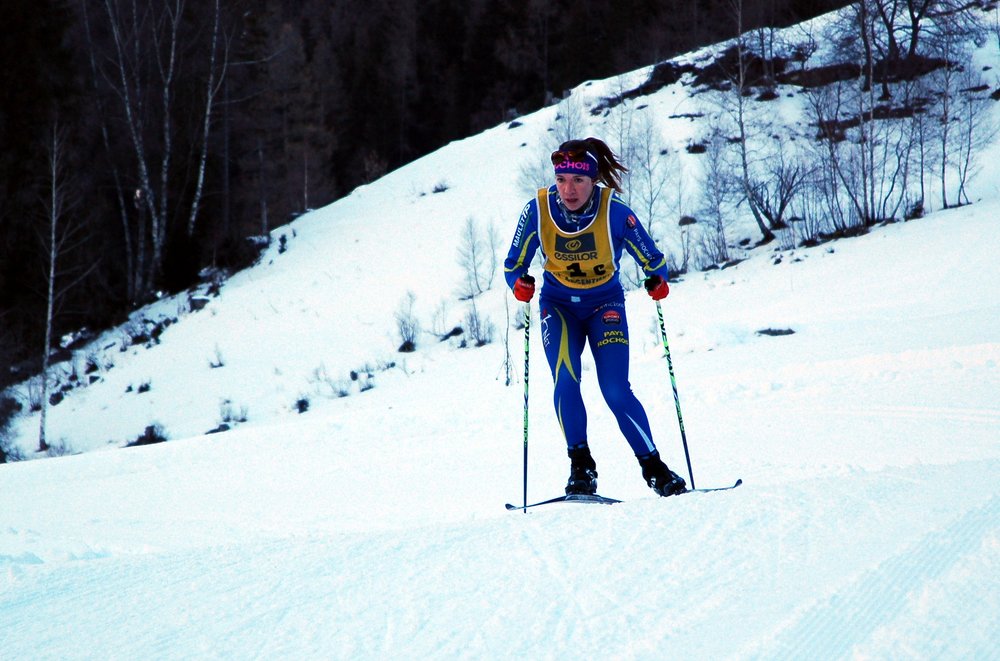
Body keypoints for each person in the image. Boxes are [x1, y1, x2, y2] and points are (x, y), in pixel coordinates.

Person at [504, 137, 687, 498]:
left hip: (605, 306)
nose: (568, 190)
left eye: (578, 181)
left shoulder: (615, 211)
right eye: (561, 181)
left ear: (593, 180)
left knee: (616, 391)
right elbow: (514, 264)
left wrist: (658, 280)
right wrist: (519, 284)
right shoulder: (538, 210)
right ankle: (581, 468)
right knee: (566, 380)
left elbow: (653, 258)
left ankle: (655, 469)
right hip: (558, 307)